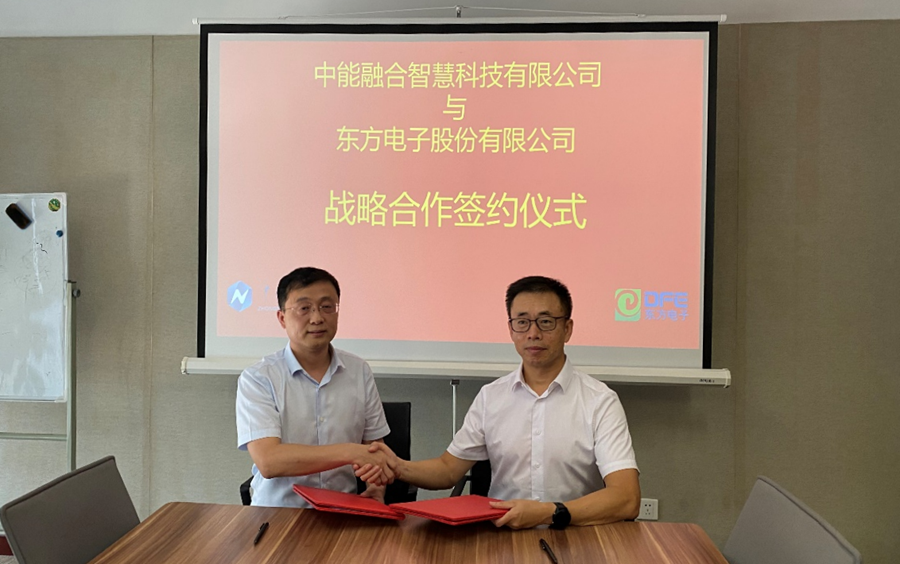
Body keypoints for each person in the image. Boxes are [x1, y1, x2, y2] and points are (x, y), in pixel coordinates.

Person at [360, 275, 641, 529]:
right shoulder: (491, 397)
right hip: (502, 536)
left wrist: (550, 513)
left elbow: (626, 498)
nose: (533, 333)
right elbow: (447, 470)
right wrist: (398, 466)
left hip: (576, 534)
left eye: (546, 322)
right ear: (511, 329)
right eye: (522, 322)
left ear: (567, 329)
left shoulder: (600, 401)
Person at [236, 266, 393, 507]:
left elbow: (374, 447)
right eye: (304, 308)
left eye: (326, 307)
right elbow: (269, 461)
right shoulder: (258, 378)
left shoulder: (358, 371)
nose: (317, 318)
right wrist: (349, 452)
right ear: (282, 318)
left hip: (344, 509)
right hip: (278, 513)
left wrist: (376, 487)